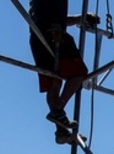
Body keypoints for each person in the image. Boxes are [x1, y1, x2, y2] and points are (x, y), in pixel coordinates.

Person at [27, 0, 99, 144]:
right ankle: (58, 110)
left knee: (54, 81)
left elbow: (55, 17)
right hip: (53, 34)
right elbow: (52, 17)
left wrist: (80, 18)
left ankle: (61, 131)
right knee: (78, 72)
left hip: (40, 36)